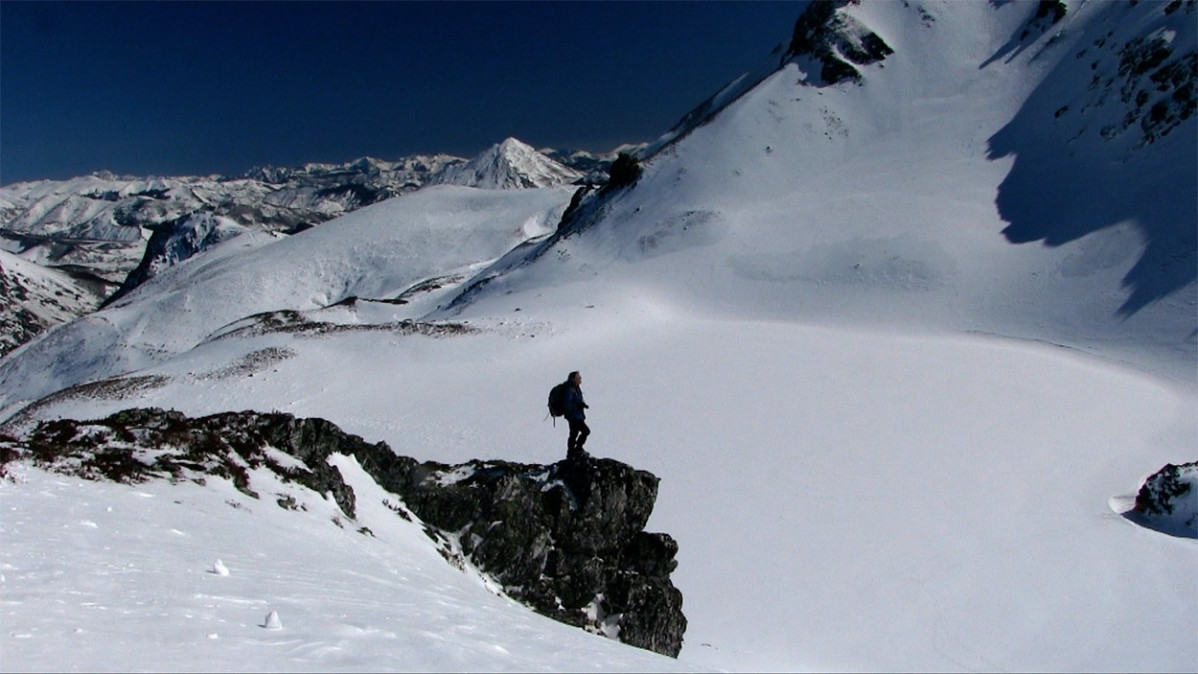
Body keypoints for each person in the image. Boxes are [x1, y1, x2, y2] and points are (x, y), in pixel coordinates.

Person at [563, 371, 590, 461]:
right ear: (573, 379)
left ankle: (572, 451)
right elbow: (568, 404)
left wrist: (582, 404)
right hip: (574, 416)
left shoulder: (576, 389)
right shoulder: (571, 390)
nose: (580, 379)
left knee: (574, 434)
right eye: (578, 377)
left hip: (576, 416)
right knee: (585, 431)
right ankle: (576, 449)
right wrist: (578, 405)